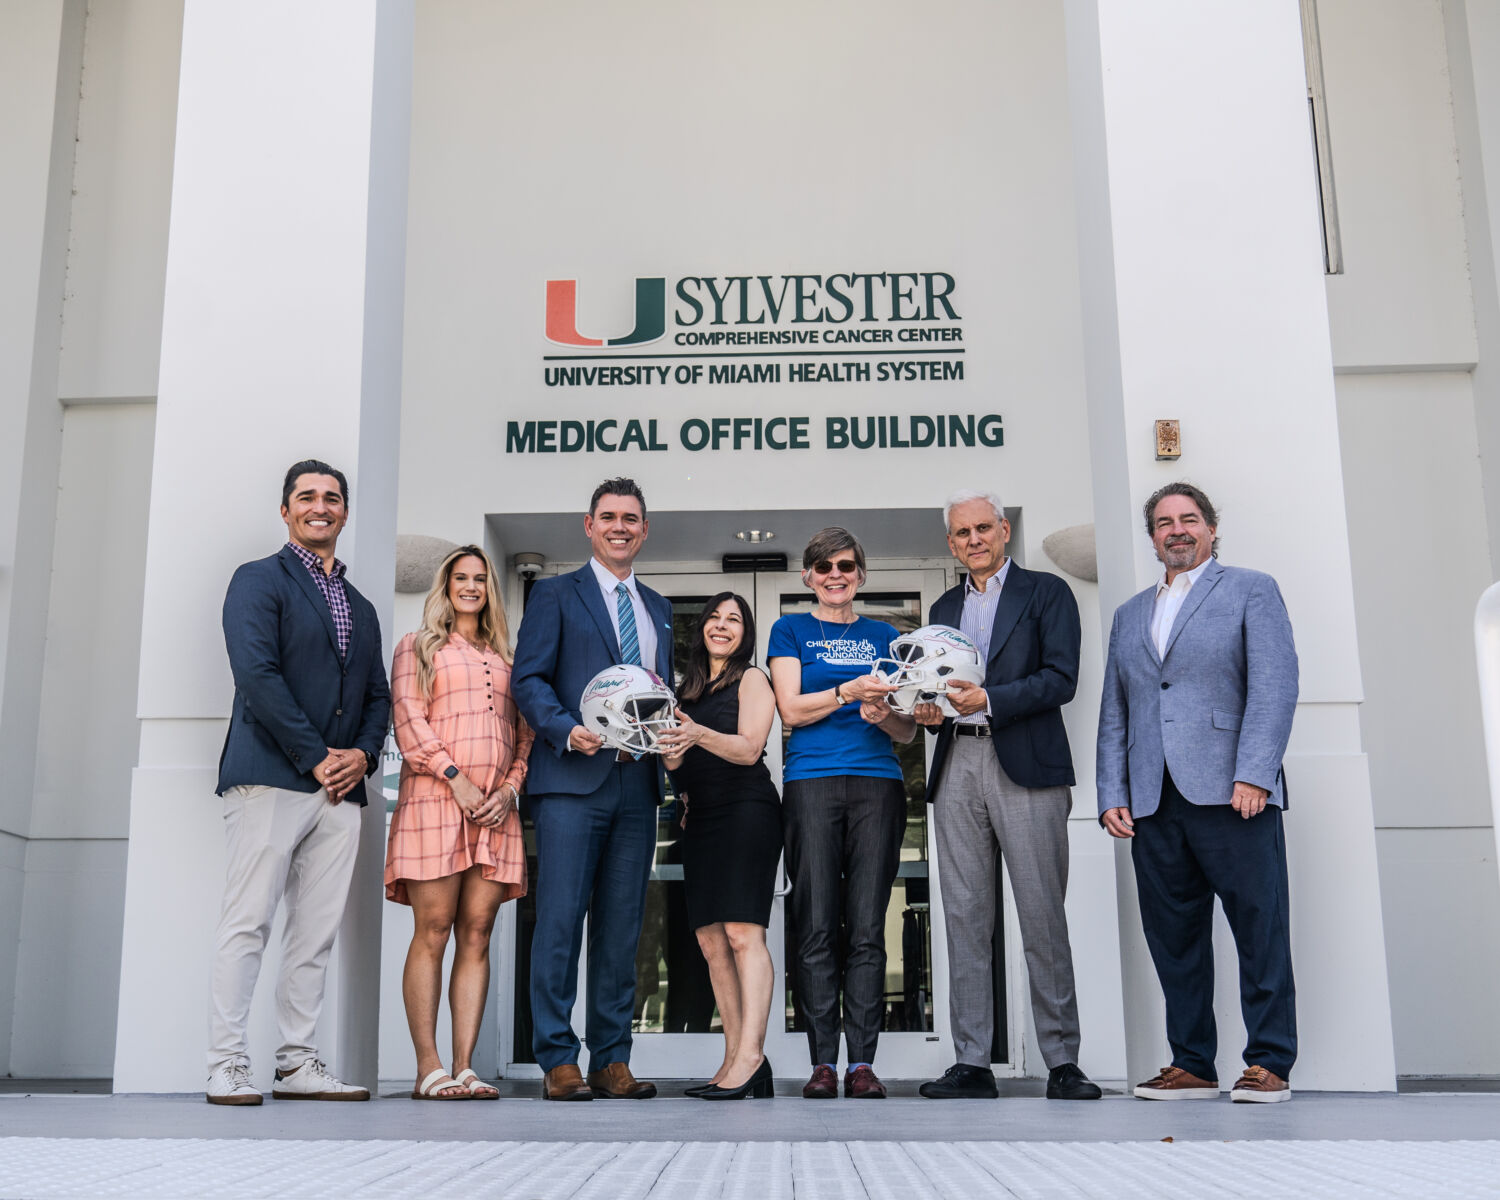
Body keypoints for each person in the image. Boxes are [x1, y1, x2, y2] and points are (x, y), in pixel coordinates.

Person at [1098, 481, 1299, 1103]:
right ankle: (1192, 1063)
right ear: (1152, 535)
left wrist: (1255, 773)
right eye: (1164, 522)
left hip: (1233, 793)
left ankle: (1269, 1063)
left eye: (1188, 519)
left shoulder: (1250, 589)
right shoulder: (1130, 612)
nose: (1176, 530)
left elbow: (1275, 685)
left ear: (1211, 528)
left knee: (1259, 931)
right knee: (1174, 939)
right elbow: (1117, 710)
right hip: (1153, 801)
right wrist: (1113, 790)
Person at [206, 459, 391, 1105]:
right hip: (271, 777)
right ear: (286, 511)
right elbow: (256, 674)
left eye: (332, 497)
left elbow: (377, 694)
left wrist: (364, 755)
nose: (321, 506)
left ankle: (297, 1063)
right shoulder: (258, 580)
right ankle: (226, 1063)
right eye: (306, 497)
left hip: (340, 793)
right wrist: (317, 756)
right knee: (248, 922)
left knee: (314, 933)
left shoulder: (361, 605)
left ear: (344, 511)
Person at [913, 490, 1102, 1101]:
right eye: (961, 532)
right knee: (965, 916)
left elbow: (1060, 679)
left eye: (983, 528)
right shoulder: (942, 605)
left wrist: (990, 699)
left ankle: (1062, 1061)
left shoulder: (1047, 593)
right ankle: (972, 1062)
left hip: (1025, 760)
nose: (973, 539)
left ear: (1003, 530)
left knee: (1042, 914)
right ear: (950, 543)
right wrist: (930, 709)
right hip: (958, 760)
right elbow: (936, 683)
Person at [511, 477, 674, 1101]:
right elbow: (529, 681)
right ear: (588, 526)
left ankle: (612, 1059)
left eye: (631, 518)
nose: (620, 527)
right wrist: (564, 730)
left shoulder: (657, 606)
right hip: (571, 784)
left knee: (621, 928)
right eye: (609, 517)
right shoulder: (555, 595)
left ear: (645, 529)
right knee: (558, 923)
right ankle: (557, 1057)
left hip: (637, 787)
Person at [767, 527, 915, 1100]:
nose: (836, 576)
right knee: (818, 925)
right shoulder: (790, 630)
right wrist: (848, 693)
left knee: (869, 929)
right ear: (808, 576)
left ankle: (862, 1065)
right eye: (824, 567)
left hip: (878, 784)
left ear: (861, 575)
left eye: (846, 567)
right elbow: (790, 709)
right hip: (811, 782)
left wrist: (886, 717)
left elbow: (905, 729)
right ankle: (823, 1062)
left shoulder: (884, 634)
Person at [386, 545, 533, 1100]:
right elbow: (408, 719)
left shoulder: (508, 658)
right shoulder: (417, 646)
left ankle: (465, 1066)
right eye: (460, 578)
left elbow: (524, 735)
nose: (470, 586)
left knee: (478, 933)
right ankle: (429, 1067)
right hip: (436, 800)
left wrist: (511, 789)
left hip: (495, 811)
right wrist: (456, 776)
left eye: (479, 579)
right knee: (434, 929)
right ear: (445, 586)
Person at [660, 593, 780, 1101]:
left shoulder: (752, 679)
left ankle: (752, 1057)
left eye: (734, 619)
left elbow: (749, 747)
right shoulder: (683, 693)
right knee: (711, 943)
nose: (722, 625)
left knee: (742, 934)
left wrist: (696, 733)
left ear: (744, 634)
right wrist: (669, 757)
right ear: (701, 627)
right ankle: (732, 1056)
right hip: (701, 817)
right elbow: (677, 765)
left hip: (747, 811)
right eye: (715, 616)